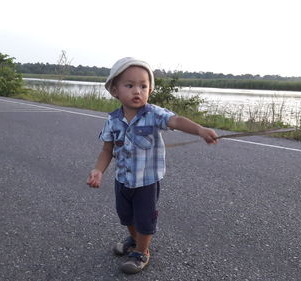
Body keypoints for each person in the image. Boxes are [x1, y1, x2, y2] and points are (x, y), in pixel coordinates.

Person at [86, 57, 218, 274]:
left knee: (145, 219)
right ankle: (135, 238)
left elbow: (176, 120)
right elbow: (107, 150)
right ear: (114, 90)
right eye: (129, 85)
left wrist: (200, 130)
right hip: (123, 180)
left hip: (146, 182)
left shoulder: (153, 114)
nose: (137, 91)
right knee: (126, 216)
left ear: (150, 89)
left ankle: (142, 252)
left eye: (143, 86)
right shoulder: (112, 120)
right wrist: (98, 170)